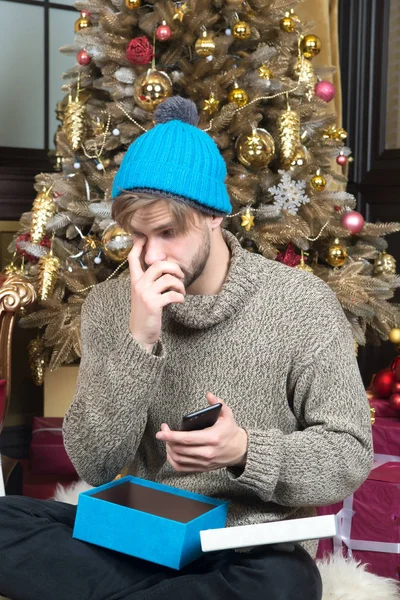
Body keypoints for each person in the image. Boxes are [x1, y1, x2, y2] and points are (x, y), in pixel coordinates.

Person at [0, 97, 373, 600]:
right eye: (137, 235)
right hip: (139, 535)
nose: (152, 255)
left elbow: (349, 456)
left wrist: (245, 451)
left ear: (215, 216)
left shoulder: (301, 304)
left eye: (169, 233)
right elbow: (92, 461)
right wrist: (140, 338)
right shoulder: (112, 305)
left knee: (283, 583)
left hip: (244, 548)